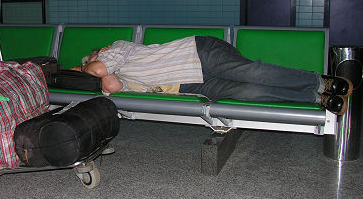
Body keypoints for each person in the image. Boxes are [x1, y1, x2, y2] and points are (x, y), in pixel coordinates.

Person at [75, 36, 353, 115]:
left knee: (252, 72)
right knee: (249, 92)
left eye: (88, 61)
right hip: (194, 85)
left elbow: (99, 70)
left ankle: (321, 81)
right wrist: (81, 75)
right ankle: (315, 98)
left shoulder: (115, 49)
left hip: (198, 53)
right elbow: (109, 83)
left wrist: (89, 64)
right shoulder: (116, 76)